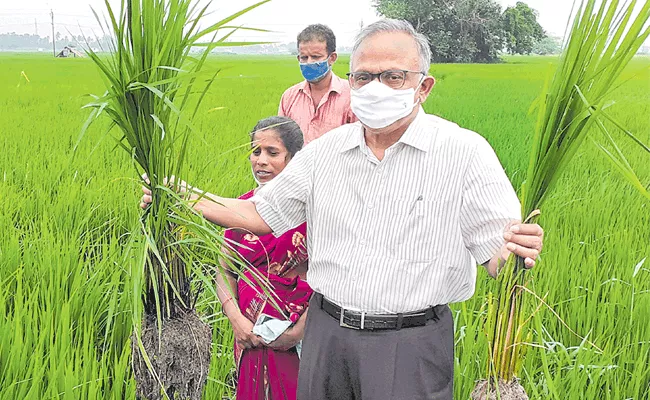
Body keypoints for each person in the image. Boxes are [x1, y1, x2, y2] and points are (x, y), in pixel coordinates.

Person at [142, 20, 544, 400]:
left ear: (423, 87)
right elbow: (260, 214)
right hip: (326, 334)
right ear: (351, 82)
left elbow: (497, 254)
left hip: (410, 342)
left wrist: (516, 249)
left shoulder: (463, 153)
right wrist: (177, 194)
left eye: (393, 76)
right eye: (364, 77)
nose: (376, 87)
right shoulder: (325, 152)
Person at [145, 116, 312, 400]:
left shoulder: (310, 210)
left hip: (299, 338)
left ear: (294, 158)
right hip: (249, 335)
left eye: (273, 153)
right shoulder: (240, 205)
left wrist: (297, 333)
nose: (261, 160)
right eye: (255, 152)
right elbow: (225, 271)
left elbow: (327, 278)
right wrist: (236, 320)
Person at [278, 24, 357, 144]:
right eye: (304, 57)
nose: (309, 62)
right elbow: (281, 142)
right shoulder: (289, 97)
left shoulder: (352, 96)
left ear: (332, 58)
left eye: (315, 57)